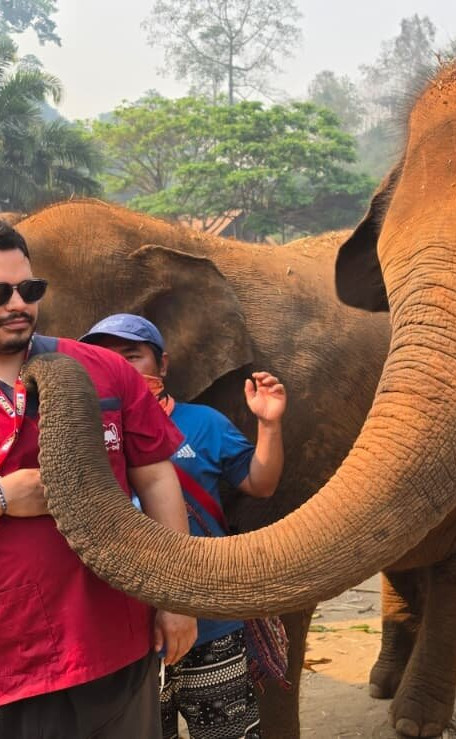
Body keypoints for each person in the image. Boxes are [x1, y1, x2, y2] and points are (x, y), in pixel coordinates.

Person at [0, 223, 196, 738]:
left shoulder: (105, 370)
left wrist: (176, 599)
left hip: (115, 641)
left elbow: (156, 481)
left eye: (29, 290)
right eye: (0, 293)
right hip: (11, 663)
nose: (17, 304)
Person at [82, 313, 287, 739]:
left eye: (133, 356)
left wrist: (269, 423)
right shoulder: (84, 432)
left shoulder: (204, 424)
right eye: (105, 357)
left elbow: (260, 483)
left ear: (163, 365)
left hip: (210, 620)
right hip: (126, 631)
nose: (120, 366)